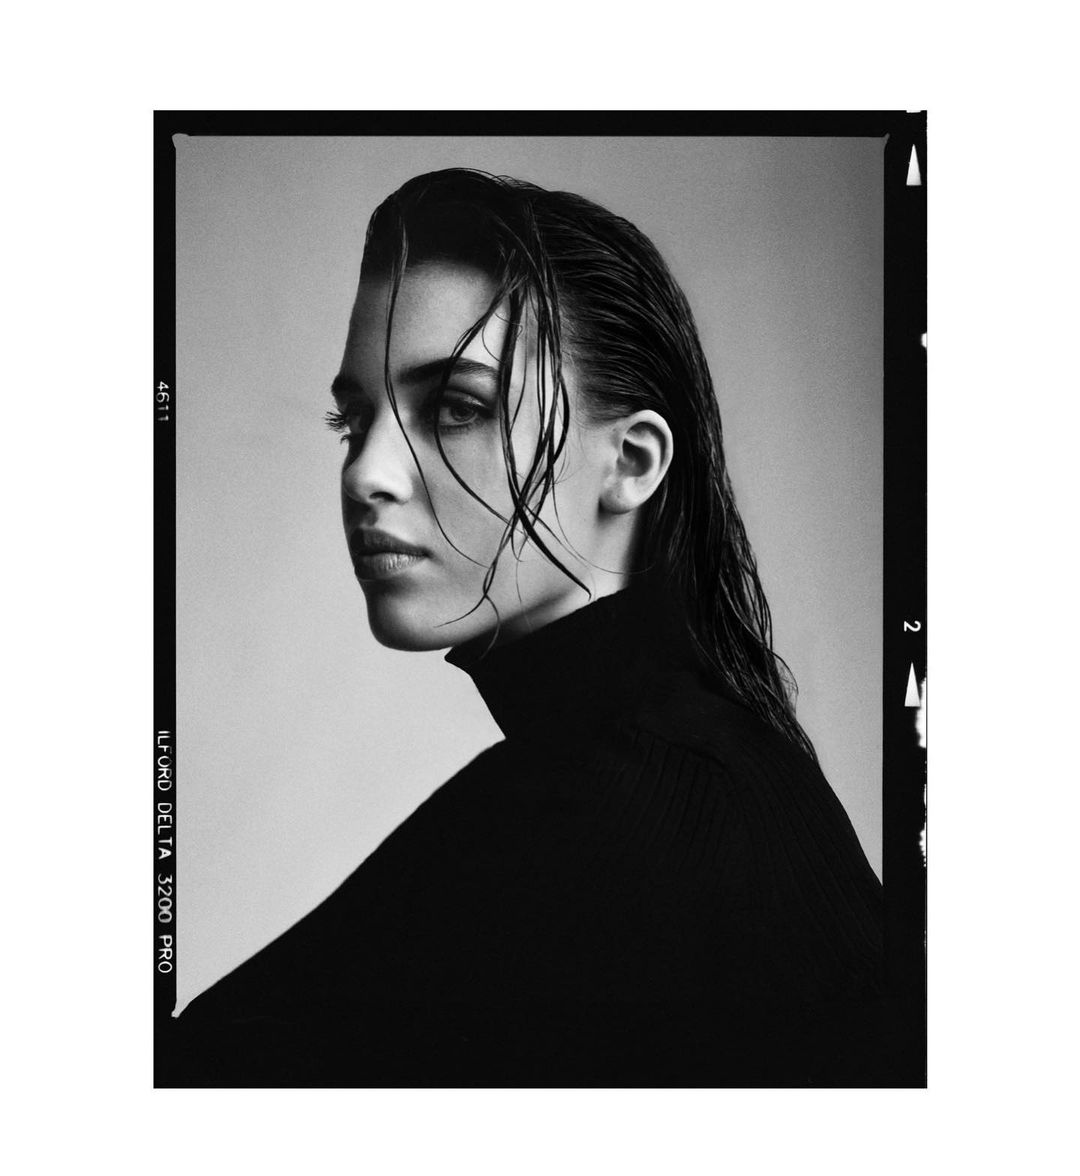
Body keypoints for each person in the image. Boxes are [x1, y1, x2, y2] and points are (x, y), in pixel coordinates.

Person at [162, 169, 914, 1086]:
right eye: (353, 420)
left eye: (457, 408)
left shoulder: (606, 814)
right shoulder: (707, 765)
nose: (366, 474)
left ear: (630, 462)